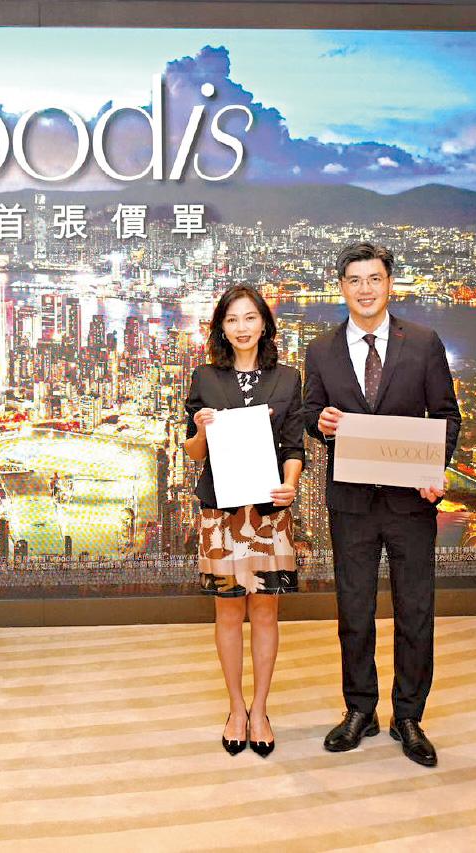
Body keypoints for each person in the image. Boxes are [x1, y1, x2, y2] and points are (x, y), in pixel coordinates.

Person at [303, 242, 461, 767]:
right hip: (351, 502)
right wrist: (320, 422)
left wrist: (434, 468)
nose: (365, 289)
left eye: (374, 279)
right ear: (341, 287)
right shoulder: (321, 349)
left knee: (415, 611)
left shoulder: (423, 342)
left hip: (410, 503)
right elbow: (309, 412)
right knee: (354, 611)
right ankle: (360, 710)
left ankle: (409, 716)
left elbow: (447, 415)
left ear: (389, 284)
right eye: (354, 280)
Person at [184, 284, 304, 757]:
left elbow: (293, 446)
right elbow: (195, 452)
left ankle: (260, 709)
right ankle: (235, 707)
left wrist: (290, 485)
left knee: (267, 612)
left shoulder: (288, 378)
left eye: (250, 318)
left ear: (264, 324)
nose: (241, 327)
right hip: (222, 511)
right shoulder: (205, 377)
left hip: (269, 513)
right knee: (229, 611)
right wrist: (200, 429)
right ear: (221, 327)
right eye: (232, 319)